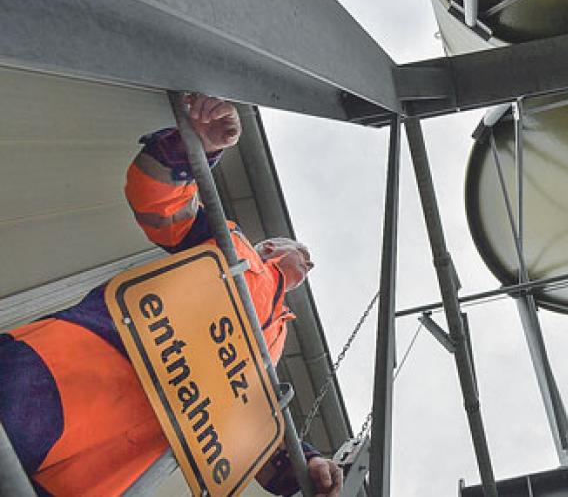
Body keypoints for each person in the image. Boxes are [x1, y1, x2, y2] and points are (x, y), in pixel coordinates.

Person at [0, 95, 342, 496]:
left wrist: (308, 462)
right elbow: (159, 205)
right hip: (67, 374)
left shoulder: (278, 337)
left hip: (107, 464)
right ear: (270, 248)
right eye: (302, 251)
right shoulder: (235, 247)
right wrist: (189, 148)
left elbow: (245, 418)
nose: (309, 263)